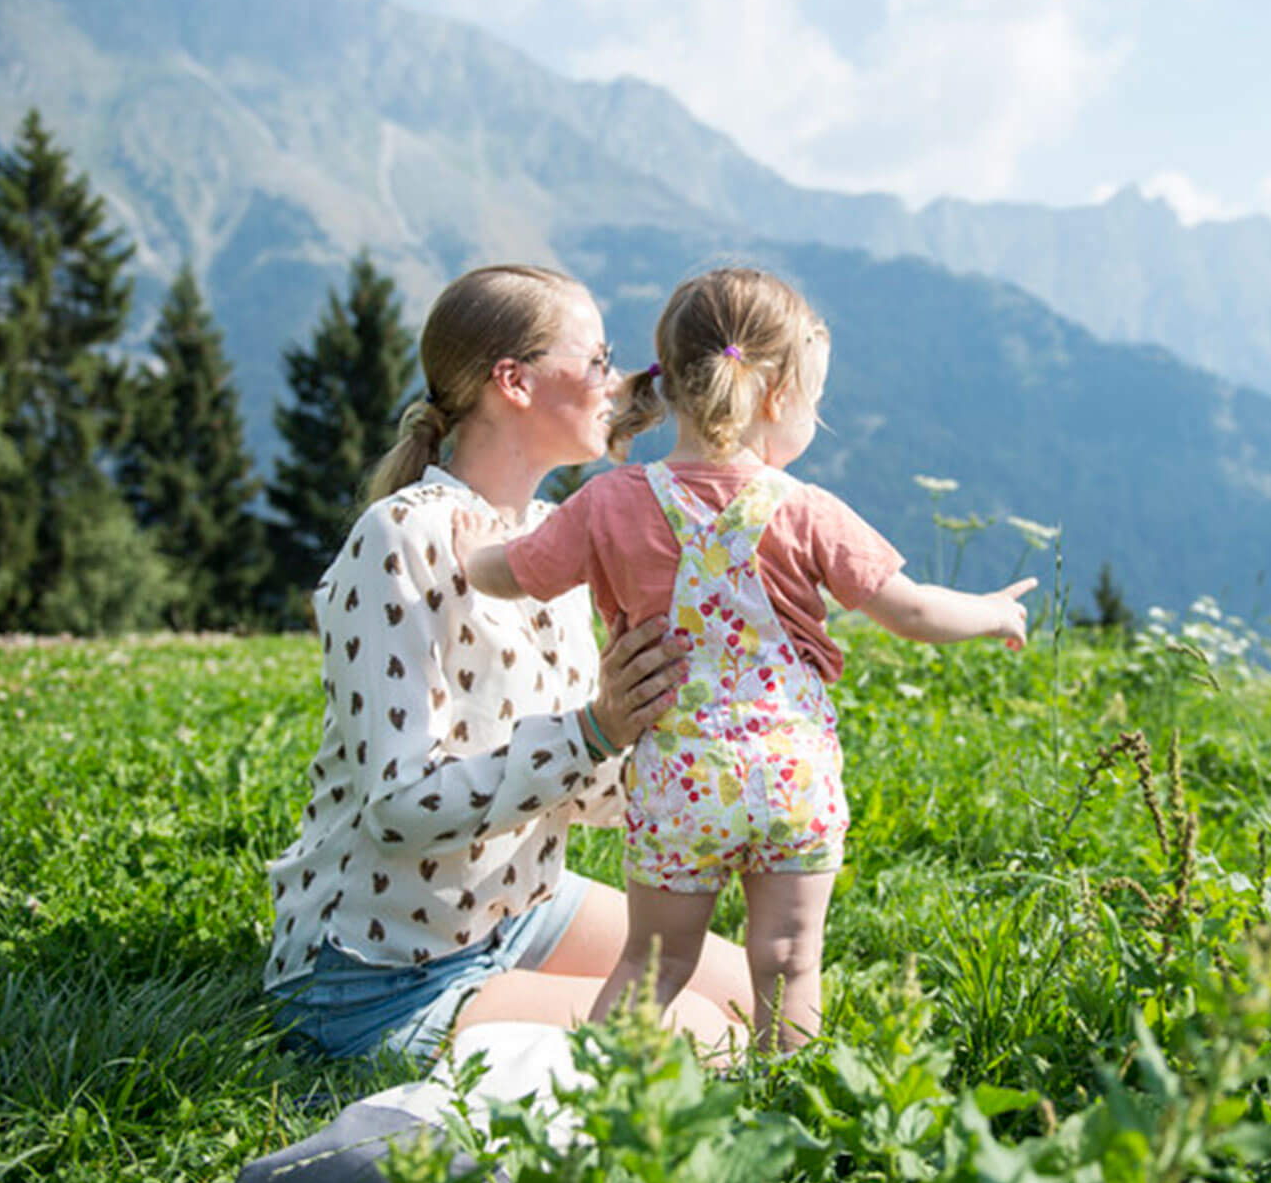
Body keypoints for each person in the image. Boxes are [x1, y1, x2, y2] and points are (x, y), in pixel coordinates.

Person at [454, 266, 1035, 1051]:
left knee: (652, 966)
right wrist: (996, 611)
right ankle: (790, 1116)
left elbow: (512, 572)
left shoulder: (611, 502)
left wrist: (467, 548)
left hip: (679, 786)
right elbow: (915, 610)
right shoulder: (807, 510)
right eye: (814, 400)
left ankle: (598, 1103)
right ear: (773, 397)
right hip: (792, 780)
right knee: (792, 963)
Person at [261, 263, 752, 1064]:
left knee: (768, 998)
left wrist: (705, 780)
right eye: (595, 359)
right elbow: (399, 805)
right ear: (514, 382)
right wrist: (595, 730)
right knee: (710, 1039)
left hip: (516, 910)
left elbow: (581, 787)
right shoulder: (400, 537)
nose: (616, 381)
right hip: (377, 975)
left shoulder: (557, 537)